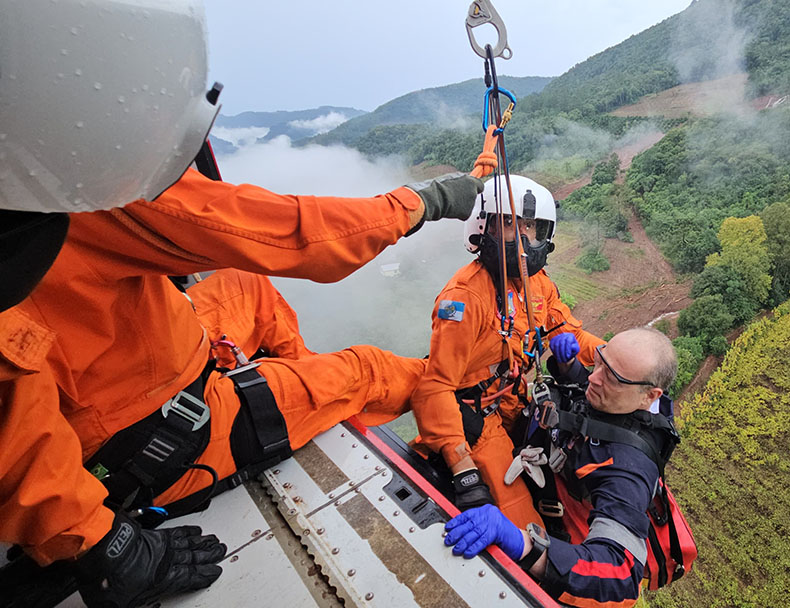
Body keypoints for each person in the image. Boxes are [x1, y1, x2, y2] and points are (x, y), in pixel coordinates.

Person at [0, 2, 483, 606]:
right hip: (149, 434)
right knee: (376, 370)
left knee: (247, 286)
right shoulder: (77, 185)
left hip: (143, 361)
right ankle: (309, 400)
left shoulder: (32, 179)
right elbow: (291, 233)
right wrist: (104, 548)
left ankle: (297, 386)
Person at [411, 174, 606, 529]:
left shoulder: (538, 284)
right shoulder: (465, 298)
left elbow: (568, 330)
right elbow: (435, 386)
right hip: (478, 416)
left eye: (531, 227)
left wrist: (614, 357)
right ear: (484, 228)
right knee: (521, 518)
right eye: (509, 224)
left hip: (518, 406)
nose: (523, 239)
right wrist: (462, 469)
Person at [442, 327, 680, 608]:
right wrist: (569, 367)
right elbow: (595, 391)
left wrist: (526, 545)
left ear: (649, 396)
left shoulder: (628, 470)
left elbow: (621, 571)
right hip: (543, 477)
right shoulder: (626, 398)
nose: (594, 376)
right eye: (600, 361)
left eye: (611, 376)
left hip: (562, 544)